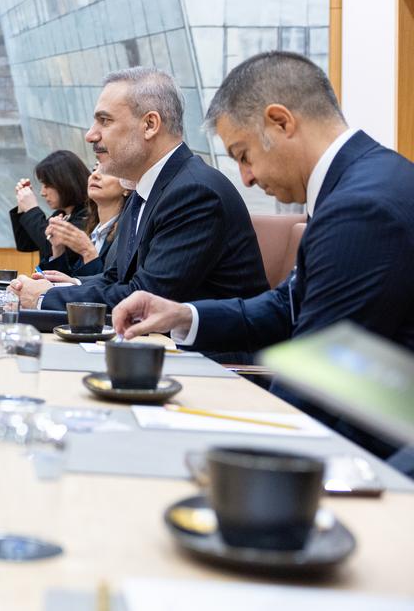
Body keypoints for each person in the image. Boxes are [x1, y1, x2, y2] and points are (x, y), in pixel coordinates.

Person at [111, 52, 414, 455]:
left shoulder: (361, 207)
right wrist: (185, 315)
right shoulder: (364, 180)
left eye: (243, 155)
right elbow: (289, 304)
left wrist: (235, 453)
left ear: (281, 121)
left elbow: (317, 377)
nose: (247, 177)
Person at [10, 67, 267, 310]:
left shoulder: (194, 193)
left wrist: (45, 298)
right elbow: (117, 277)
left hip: (208, 355)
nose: (91, 135)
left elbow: (146, 297)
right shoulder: (147, 189)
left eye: (104, 121)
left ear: (150, 125)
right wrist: (64, 286)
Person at [38, 162, 130, 280]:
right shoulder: (92, 231)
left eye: (107, 171)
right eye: (94, 169)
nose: (95, 175)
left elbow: (112, 286)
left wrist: (88, 252)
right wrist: (58, 250)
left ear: (127, 187)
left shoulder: (127, 233)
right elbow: (69, 283)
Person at [9, 149, 90, 267]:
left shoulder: (86, 215)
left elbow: (50, 247)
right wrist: (23, 208)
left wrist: (31, 209)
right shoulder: (61, 213)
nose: (42, 192)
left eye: (47, 185)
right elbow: (26, 244)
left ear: (65, 182)